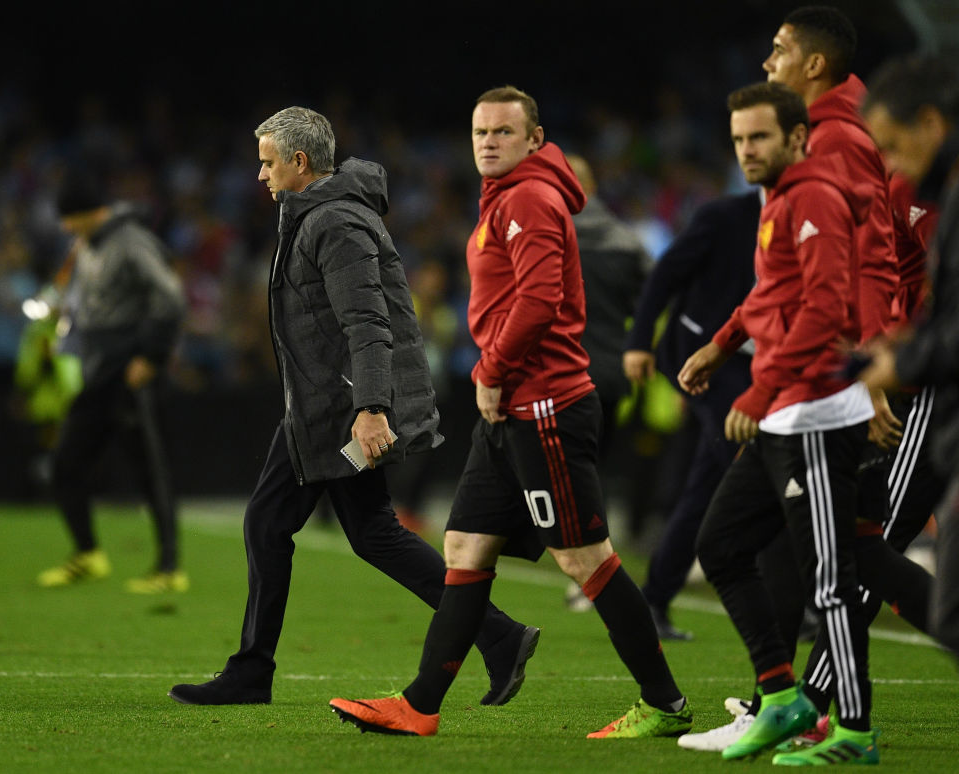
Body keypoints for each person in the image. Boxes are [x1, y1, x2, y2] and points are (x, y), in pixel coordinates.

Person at [329, 86, 692, 739]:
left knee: (584, 559)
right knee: (465, 545)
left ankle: (665, 704)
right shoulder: (508, 195)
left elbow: (540, 299)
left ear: (534, 139)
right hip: (514, 408)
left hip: (544, 404)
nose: (489, 142)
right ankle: (420, 704)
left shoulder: (529, 197)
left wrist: (491, 370)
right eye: (480, 132)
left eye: (503, 131)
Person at [168, 106, 537, 707]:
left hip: (340, 411)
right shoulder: (315, 214)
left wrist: (370, 408)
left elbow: (368, 324)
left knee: (320, 529)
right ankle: (498, 635)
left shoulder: (334, 222)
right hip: (319, 407)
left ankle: (253, 672)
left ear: (300, 162)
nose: (259, 175)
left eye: (267, 163)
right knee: (352, 532)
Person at [679, 6, 902, 751]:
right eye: (739, 140)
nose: (746, 151)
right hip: (785, 409)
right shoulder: (784, 191)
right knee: (724, 545)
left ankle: (855, 731)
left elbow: (835, 297)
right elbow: (778, 291)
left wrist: (765, 384)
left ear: (797, 135)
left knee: (835, 574)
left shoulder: (820, 182)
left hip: (817, 407)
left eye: (759, 139)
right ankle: (779, 697)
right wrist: (723, 343)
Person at [36, 168, 188, 594]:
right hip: (99, 370)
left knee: (149, 471)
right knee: (65, 463)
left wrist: (152, 356)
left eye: (69, 217)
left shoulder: (130, 241)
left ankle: (170, 568)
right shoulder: (89, 243)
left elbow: (170, 297)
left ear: (90, 212)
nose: (65, 226)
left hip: (129, 368)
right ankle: (87, 554)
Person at [622, 189, 761, 640]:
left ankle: (654, 598)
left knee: (707, 483)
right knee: (755, 466)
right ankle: (794, 597)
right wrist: (640, 341)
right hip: (705, 359)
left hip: (758, 366)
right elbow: (665, 274)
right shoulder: (724, 216)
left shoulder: (807, 215)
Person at [856, 54, 959, 658]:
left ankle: (814, 690)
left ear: (930, 123)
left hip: (930, 391)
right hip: (932, 385)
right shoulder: (912, 190)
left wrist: (906, 360)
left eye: (892, 146)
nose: (890, 163)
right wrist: (898, 335)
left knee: (875, 540)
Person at [562, 153, 651, 613]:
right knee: (591, 470)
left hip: (562, 374)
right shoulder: (626, 241)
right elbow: (652, 298)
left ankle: (589, 574)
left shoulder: (549, 236)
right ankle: (592, 570)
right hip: (612, 375)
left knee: (570, 474)